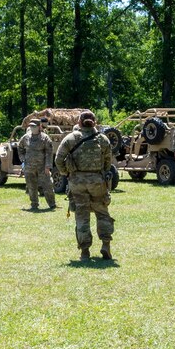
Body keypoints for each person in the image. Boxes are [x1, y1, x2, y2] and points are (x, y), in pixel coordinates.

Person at [55, 110, 115, 261]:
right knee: (102, 213)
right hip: (97, 182)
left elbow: (58, 160)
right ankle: (105, 245)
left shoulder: (70, 138)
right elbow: (108, 162)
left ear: (79, 122)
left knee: (82, 216)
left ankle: (85, 252)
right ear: (95, 122)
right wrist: (102, 173)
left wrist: (66, 173)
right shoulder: (103, 139)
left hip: (77, 183)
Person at [18, 120, 57, 210]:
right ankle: (34, 204)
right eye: (31, 126)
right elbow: (20, 147)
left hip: (42, 167)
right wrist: (23, 159)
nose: (32, 128)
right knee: (31, 186)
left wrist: (48, 166)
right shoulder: (26, 137)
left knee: (48, 185)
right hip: (29, 167)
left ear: (39, 126)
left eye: (34, 126)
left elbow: (49, 153)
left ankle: (52, 204)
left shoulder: (45, 138)